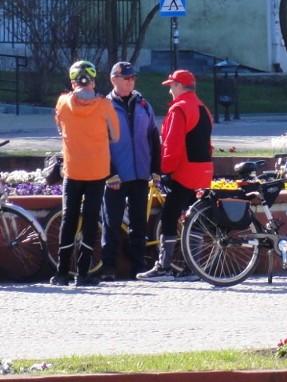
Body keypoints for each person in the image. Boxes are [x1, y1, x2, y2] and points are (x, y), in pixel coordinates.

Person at [136, 70, 213, 282]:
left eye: (171, 86)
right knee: (194, 220)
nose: (170, 90)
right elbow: (207, 144)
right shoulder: (203, 109)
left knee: (169, 217)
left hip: (184, 174)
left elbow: (172, 145)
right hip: (203, 173)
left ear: (179, 86)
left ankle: (164, 267)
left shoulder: (179, 109)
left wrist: (165, 170)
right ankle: (193, 267)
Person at [50, 60, 120, 286]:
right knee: (90, 220)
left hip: (72, 171)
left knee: (69, 219)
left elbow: (60, 128)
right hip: (97, 172)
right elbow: (115, 136)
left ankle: (61, 273)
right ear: (93, 81)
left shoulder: (62, 103)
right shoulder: (104, 105)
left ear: (72, 82)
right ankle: (82, 273)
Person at [100, 62, 162, 281]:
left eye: (133, 78)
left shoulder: (144, 104)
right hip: (116, 176)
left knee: (138, 223)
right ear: (113, 79)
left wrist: (155, 169)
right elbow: (99, 143)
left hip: (140, 173)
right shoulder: (104, 106)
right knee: (112, 222)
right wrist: (109, 173)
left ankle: (138, 265)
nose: (130, 81)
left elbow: (154, 137)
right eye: (126, 78)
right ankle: (108, 266)